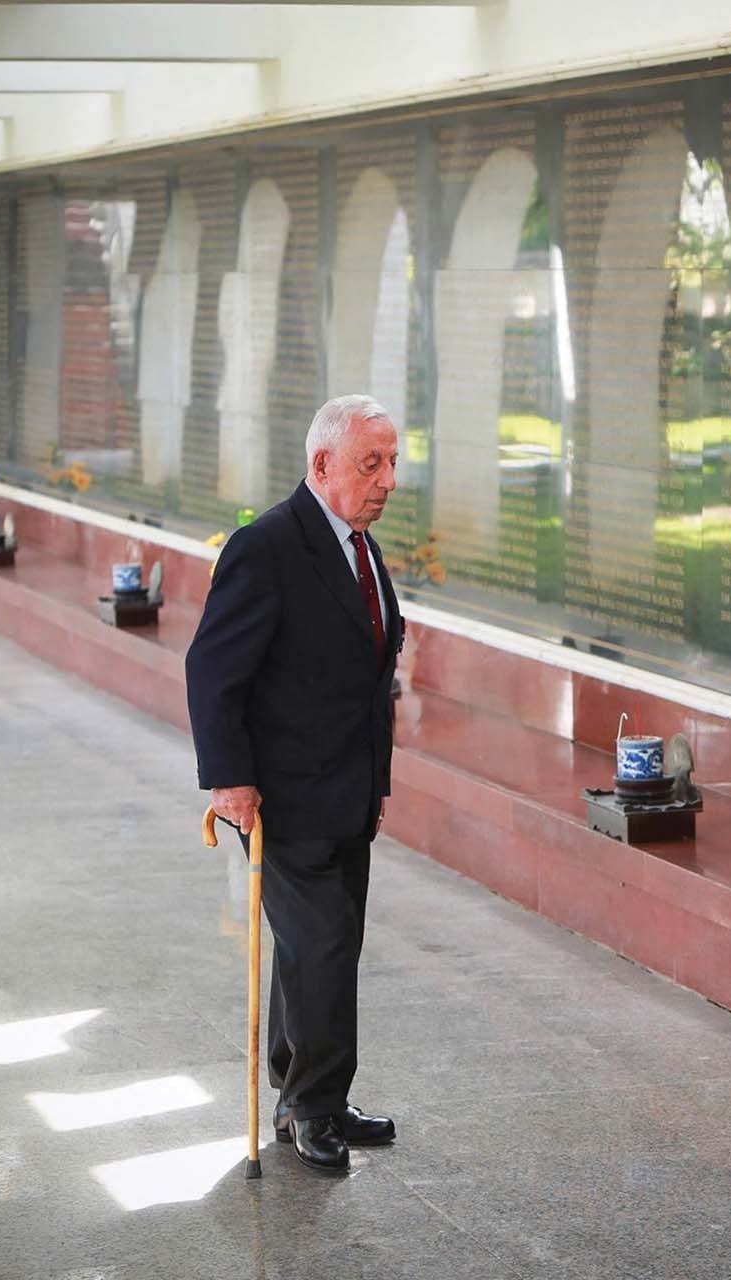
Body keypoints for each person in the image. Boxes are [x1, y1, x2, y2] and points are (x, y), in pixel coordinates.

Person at [185, 393, 404, 1174]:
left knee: (313, 949)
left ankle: (306, 1091)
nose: (385, 480)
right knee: (324, 946)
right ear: (321, 464)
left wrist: (377, 779)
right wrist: (228, 781)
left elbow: (366, 679)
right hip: (282, 796)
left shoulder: (361, 547)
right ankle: (312, 1107)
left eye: (391, 462)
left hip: (347, 792)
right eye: (368, 463)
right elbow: (213, 669)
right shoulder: (269, 546)